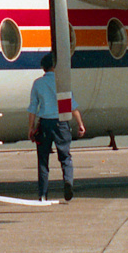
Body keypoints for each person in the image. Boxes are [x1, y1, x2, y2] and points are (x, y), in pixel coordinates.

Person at [26, 53, 85, 201]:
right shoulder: (62, 83)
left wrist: (31, 128)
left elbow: (33, 108)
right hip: (61, 123)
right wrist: (80, 124)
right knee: (65, 157)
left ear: (43, 68)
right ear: (55, 66)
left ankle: (43, 194)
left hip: (44, 123)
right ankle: (68, 182)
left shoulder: (38, 83)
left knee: (43, 160)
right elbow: (71, 106)